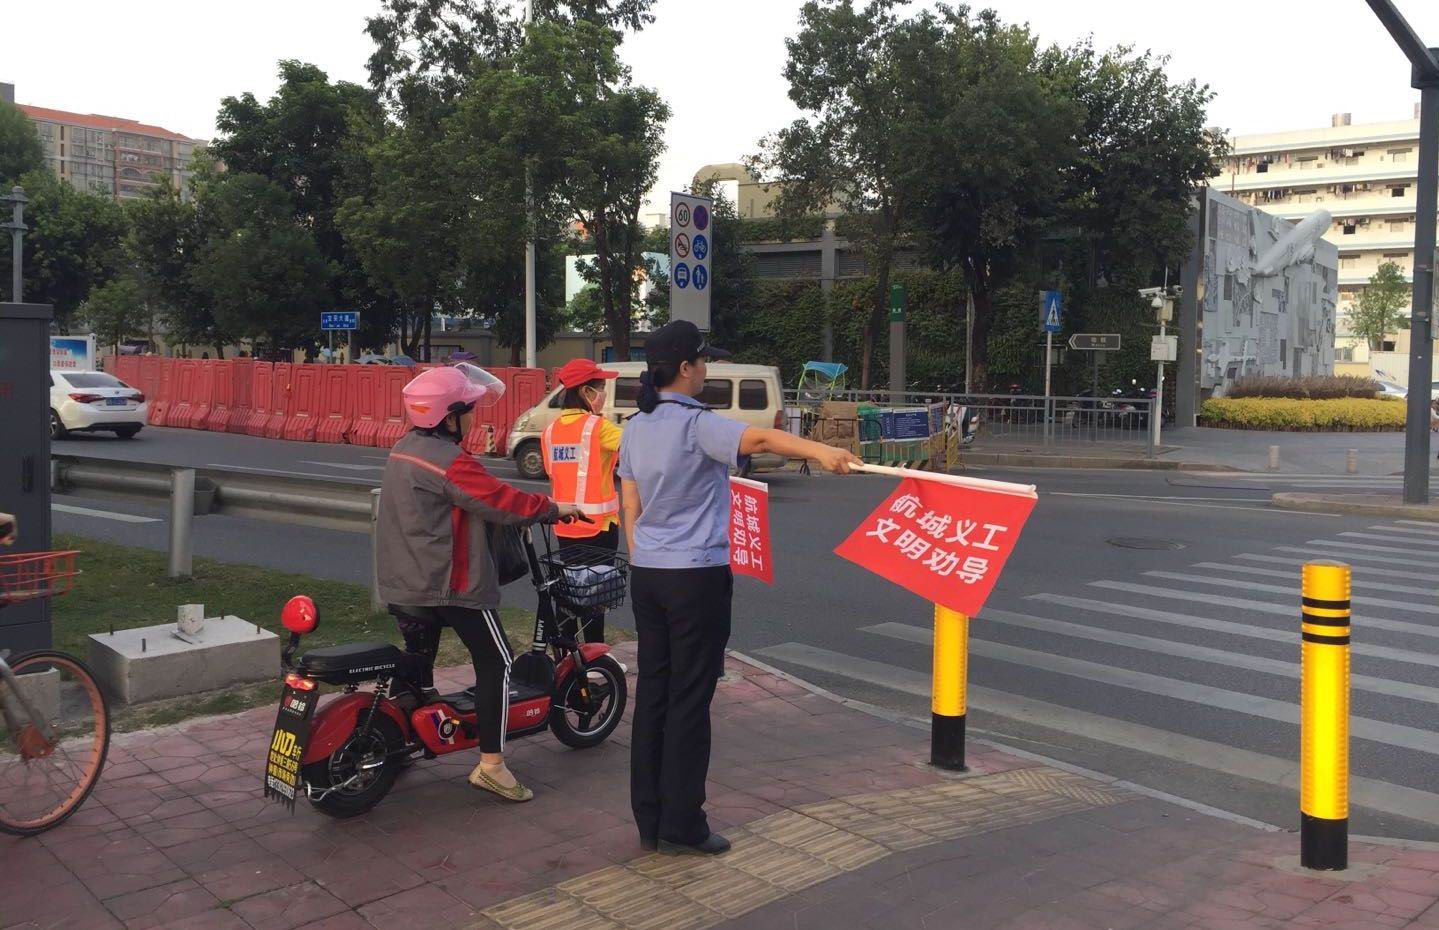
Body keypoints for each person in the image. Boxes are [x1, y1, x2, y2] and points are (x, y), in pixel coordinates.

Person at [619, 320, 862, 855]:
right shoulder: (694, 422)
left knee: (655, 694)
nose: (707, 369)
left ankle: (649, 817)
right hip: (695, 578)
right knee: (689, 698)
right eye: (704, 361)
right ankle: (683, 821)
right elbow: (760, 437)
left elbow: (629, 504)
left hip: (651, 576)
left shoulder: (637, 425)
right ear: (685, 368)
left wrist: (642, 559)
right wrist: (822, 452)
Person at [375, 364, 582, 803]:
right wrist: (552, 507)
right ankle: (492, 765)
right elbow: (501, 500)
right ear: (448, 417)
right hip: (449, 585)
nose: (473, 418)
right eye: (468, 409)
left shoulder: (404, 449)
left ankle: (395, 744)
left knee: (417, 661)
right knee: (498, 661)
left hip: (404, 583)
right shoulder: (450, 461)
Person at [541, 358, 623, 645]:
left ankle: (566, 652)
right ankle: (594, 655)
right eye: (601, 387)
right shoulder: (597, 427)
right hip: (598, 527)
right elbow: (636, 446)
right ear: (587, 392)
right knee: (595, 595)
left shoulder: (549, 431)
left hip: (565, 525)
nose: (604, 394)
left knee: (568, 591)